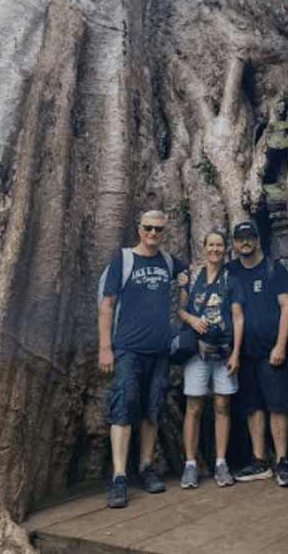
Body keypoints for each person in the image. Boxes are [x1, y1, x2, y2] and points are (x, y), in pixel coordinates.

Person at [98, 210, 188, 508]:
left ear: (164, 233)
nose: (153, 234)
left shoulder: (167, 261)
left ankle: (146, 466)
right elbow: (107, 306)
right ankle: (120, 476)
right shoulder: (122, 260)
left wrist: (186, 287)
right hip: (127, 349)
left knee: (152, 410)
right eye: (148, 228)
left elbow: (189, 273)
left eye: (158, 230)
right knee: (123, 406)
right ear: (139, 229)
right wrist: (105, 347)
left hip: (159, 351)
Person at [226, 220, 288, 487]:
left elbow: (287, 307)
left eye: (250, 238)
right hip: (243, 353)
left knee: (277, 405)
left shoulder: (273, 269)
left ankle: (282, 460)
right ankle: (259, 460)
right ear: (234, 243)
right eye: (240, 239)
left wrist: (280, 345)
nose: (245, 243)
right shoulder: (231, 271)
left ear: (257, 240)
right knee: (252, 406)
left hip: (271, 351)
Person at [178, 230, 245, 489]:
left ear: (225, 249)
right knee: (193, 407)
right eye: (210, 245)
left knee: (222, 406)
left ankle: (220, 462)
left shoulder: (231, 279)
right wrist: (192, 319)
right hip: (196, 351)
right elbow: (181, 310)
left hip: (224, 350)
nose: (214, 249)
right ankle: (190, 464)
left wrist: (237, 353)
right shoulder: (192, 275)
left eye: (219, 245)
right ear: (203, 247)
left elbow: (238, 317)